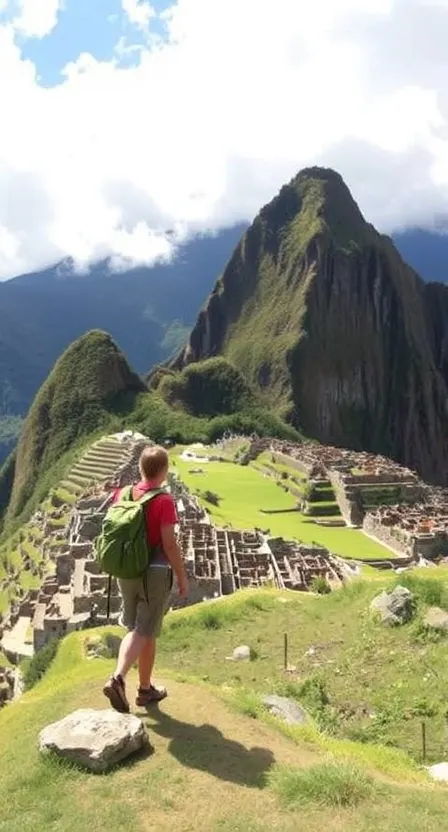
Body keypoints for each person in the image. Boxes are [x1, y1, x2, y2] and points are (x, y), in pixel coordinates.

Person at [103, 445, 189, 713]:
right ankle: (117, 678)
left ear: (140, 468)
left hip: (126, 571)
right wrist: (183, 578)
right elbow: (169, 544)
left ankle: (145, 689)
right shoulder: (163, 501)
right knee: (141, 630)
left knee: (145, 631)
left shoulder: (123, 493)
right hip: (154, 573)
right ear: (164, 471)